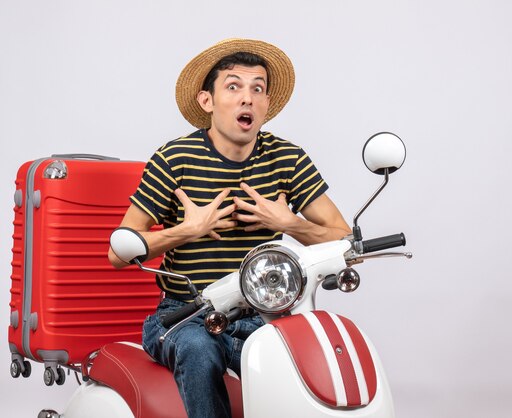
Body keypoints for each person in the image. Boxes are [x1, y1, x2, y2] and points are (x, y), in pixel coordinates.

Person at [108, 38, 351, 418]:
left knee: (311, 356)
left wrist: (288, 222)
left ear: (267, 105)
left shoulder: (286, 158)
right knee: (198, 351)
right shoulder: (175, 158)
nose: (248, 98)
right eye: (234, 86)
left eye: (258, 89)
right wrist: (187, 230)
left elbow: (343, 238)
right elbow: (118, 252)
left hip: (265, 314)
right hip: (184, 316)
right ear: (208, 101)